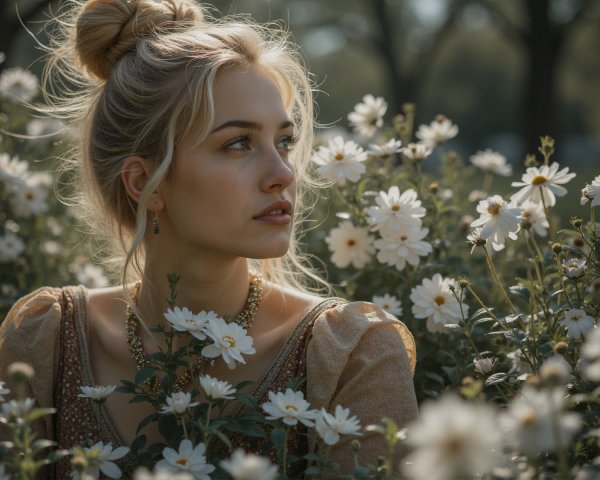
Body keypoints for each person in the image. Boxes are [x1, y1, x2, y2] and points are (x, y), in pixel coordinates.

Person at [0, 0, 418, 477]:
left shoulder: (349, 356)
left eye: (283, 141)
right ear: (146, 183)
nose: (283, 174)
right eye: (238, 143)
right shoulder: (46, 345)